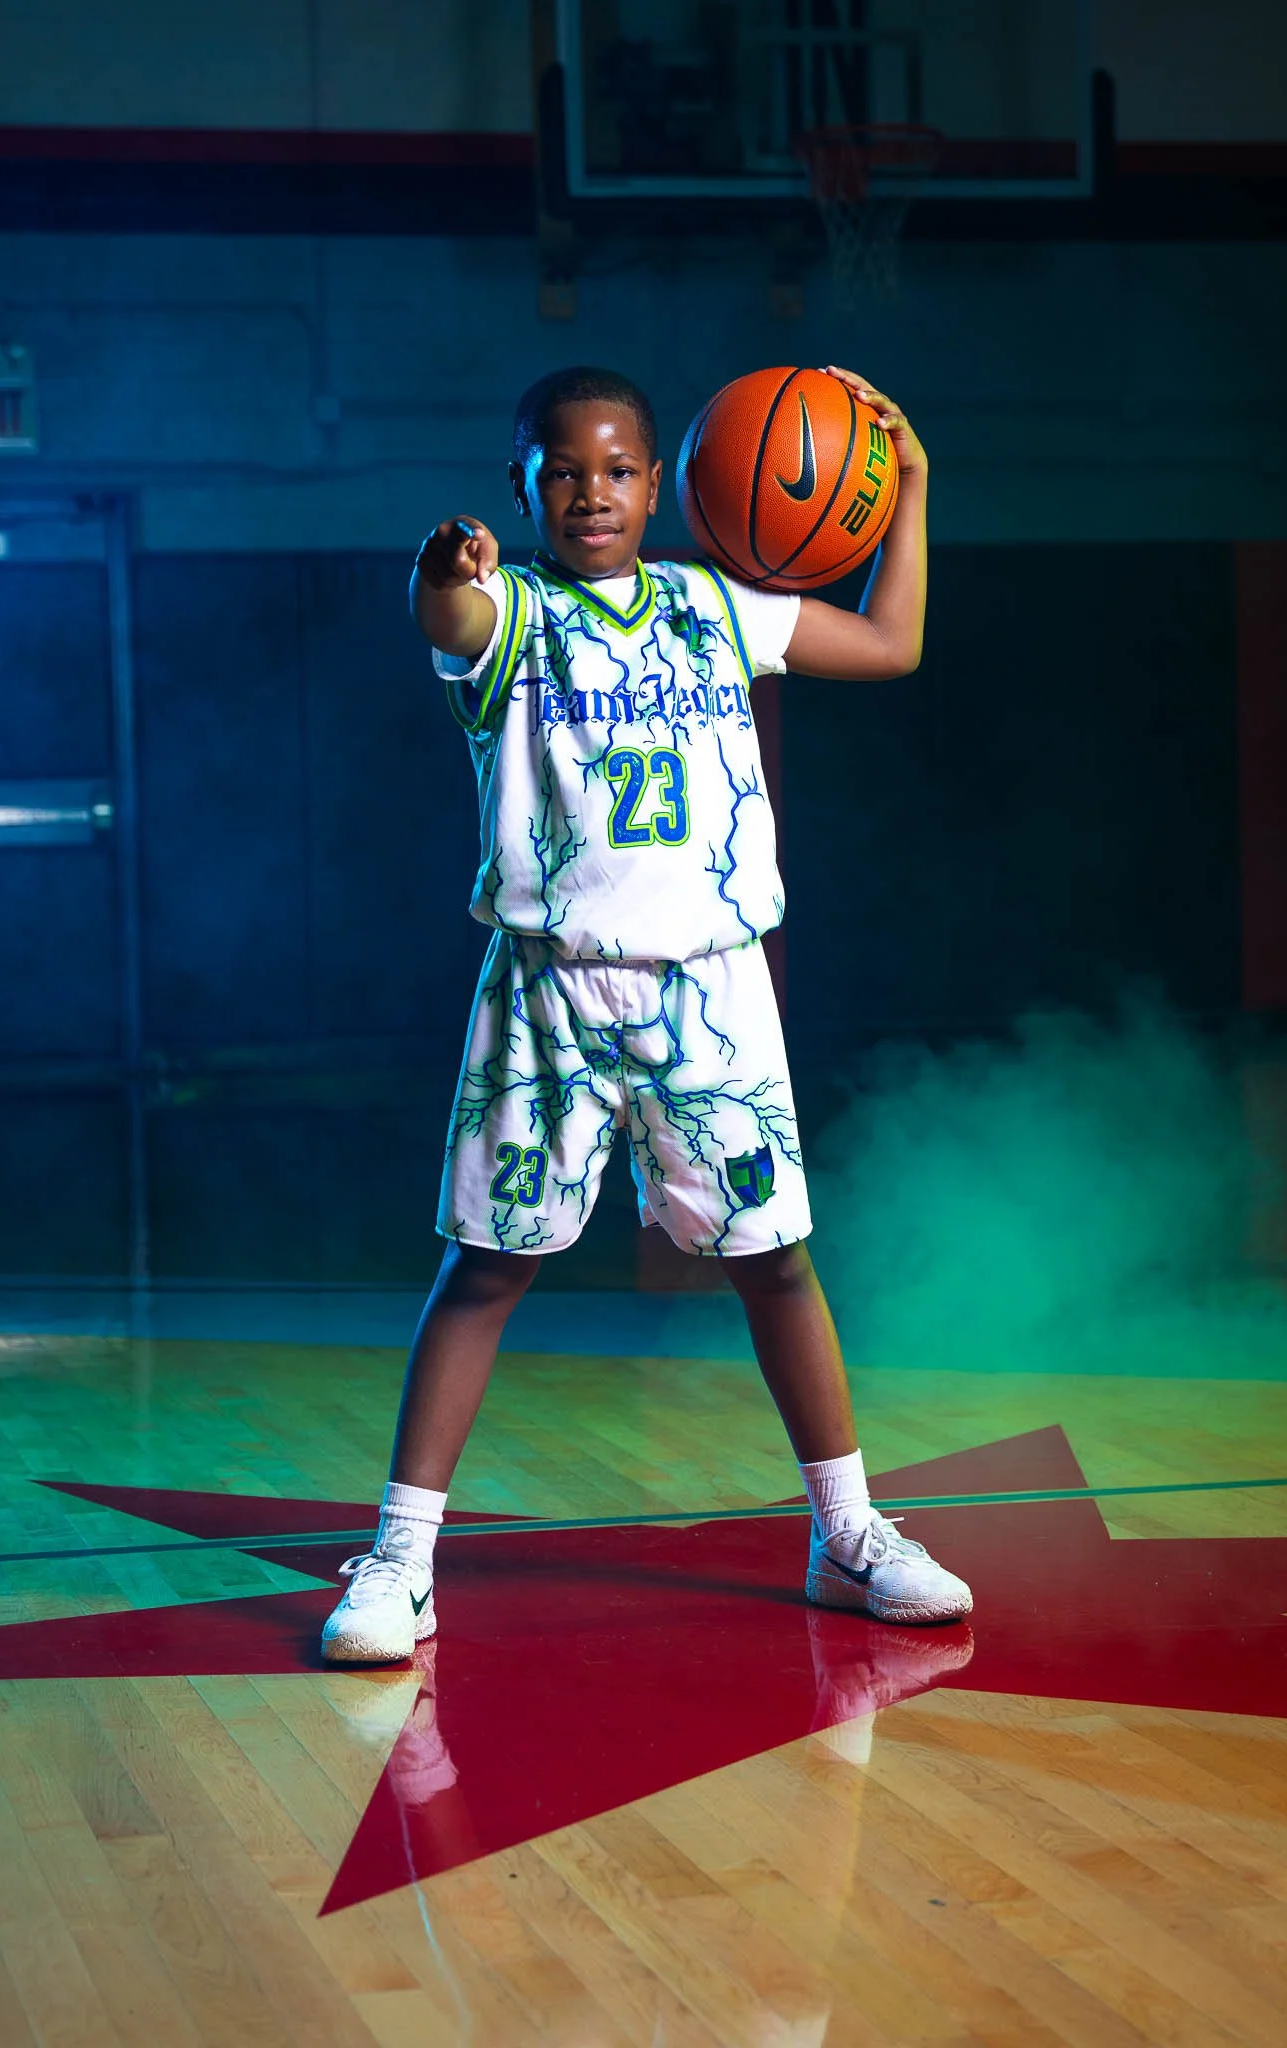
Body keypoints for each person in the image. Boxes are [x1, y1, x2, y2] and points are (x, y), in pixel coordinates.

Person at [322, 363, 972, 1663]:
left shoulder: (714, 605)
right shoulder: (505, 612)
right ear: (522, 480)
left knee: (774, 1259)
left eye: (617, 469)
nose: (592, 492)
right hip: (550, 983)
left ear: (660, 477)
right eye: (562, 470)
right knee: (487, 1266)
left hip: (712, 984)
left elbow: (890, 643)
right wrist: (444, 564)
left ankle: (849, 1533)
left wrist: (908, 495)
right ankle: (399, 1560)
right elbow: (441, 616)